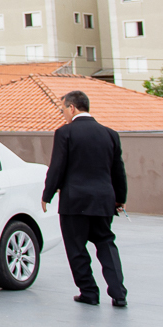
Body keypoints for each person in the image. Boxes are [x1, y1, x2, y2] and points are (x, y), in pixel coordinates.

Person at [41, 90, 128, 308]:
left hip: (74, 202)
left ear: (72, 108)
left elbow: (57, 167)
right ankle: (118, 293)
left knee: (76, 248)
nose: (63, 114)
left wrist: (47, 194)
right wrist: (120, 198)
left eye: (63, 109)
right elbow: (118, 170)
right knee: (106, 243)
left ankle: (89, 292)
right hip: (103, 201)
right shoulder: (110, 134)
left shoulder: (65, 133)